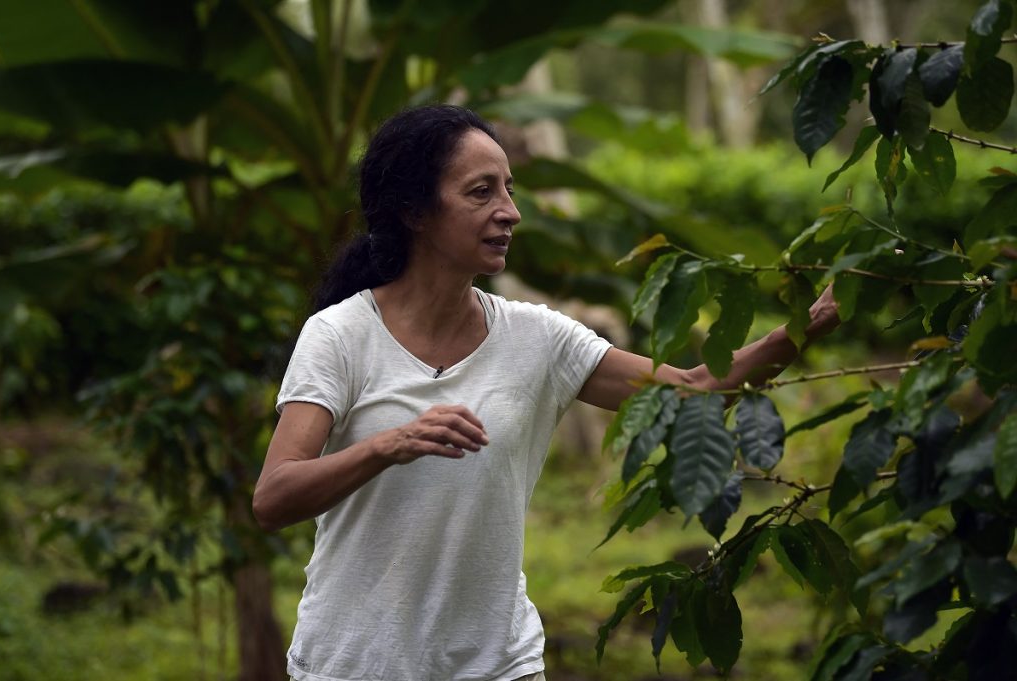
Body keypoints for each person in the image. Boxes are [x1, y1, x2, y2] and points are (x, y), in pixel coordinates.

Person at [253, 104, 840, 681]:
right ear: (414, 211)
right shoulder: (341, 335)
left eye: (509, 190)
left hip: (499, 664)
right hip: (356, 662)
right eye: (481, 192)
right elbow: (274, 496)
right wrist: (387, 445)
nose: (509, 212)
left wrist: (809, 325)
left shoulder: (537, 337)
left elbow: (695, 386)